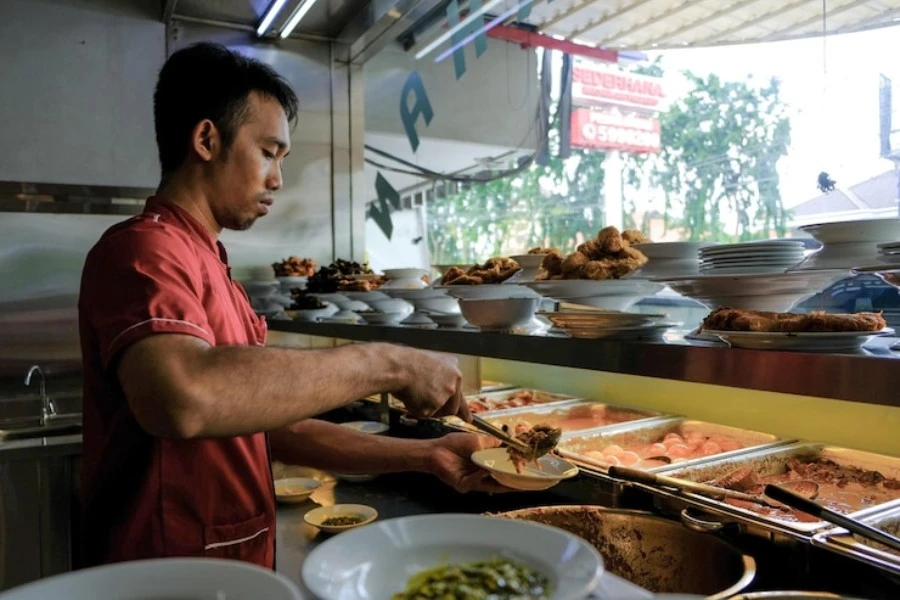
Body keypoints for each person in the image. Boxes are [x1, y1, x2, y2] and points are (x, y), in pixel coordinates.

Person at [77, 42, 505, 570]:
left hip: (227, 566)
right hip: (166, 572)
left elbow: (276, 427)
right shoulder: (143, 250)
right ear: (207, 139)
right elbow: (184, 397)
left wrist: (428, 455)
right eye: (268, 152)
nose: (278, 178)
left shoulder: (210, 264)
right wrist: (390, 364)